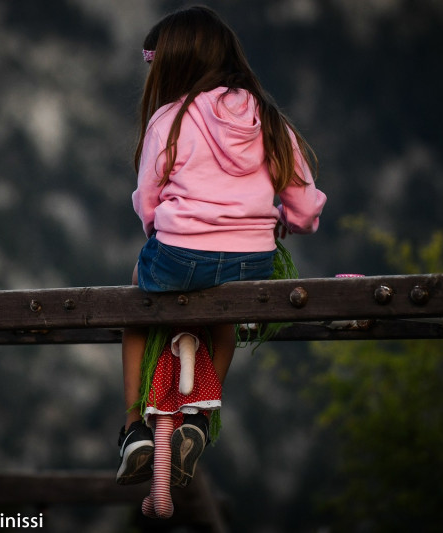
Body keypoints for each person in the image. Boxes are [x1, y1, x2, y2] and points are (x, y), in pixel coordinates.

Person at [116, 6, 327, 486]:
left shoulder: (169, 118)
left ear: (175, 64)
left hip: (177, 255)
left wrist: (162, 233)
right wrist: (289, 221)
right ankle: (197, 419)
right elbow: (305, 203)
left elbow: (148, 200)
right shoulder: (267, 117)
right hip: (250, 259)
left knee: (133, 301)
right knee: (223, 314)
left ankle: (132, 427)